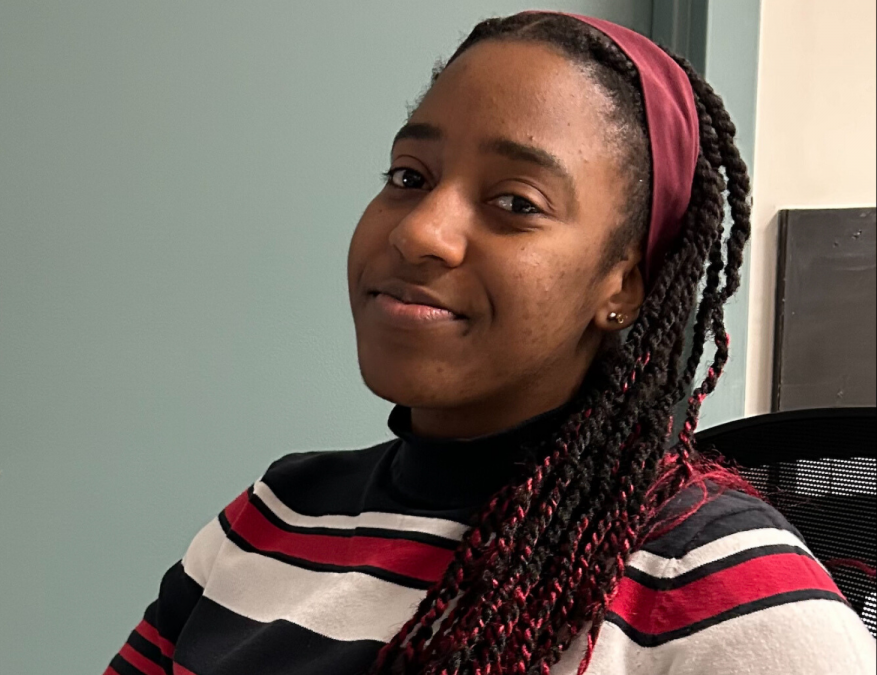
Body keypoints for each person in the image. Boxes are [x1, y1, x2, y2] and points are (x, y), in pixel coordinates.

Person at [104, 11, 877, 675]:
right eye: (409, 176)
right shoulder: (274, 515)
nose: (420, 233)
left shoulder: (723, 593)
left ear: (623, 283)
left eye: (516, 202)